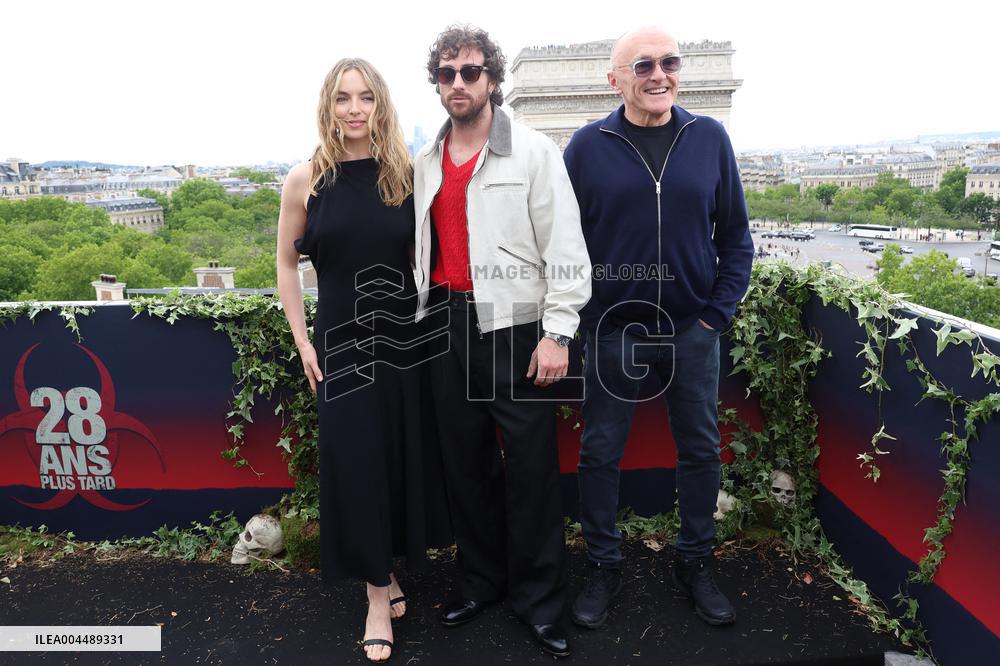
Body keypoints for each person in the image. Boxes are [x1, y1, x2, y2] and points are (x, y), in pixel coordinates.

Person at [563, 27, 754, 630]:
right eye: (642, 65)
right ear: (614, 78)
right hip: (615, 329)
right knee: (600, 452)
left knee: (700, 449)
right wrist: (590, 319)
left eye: (669, 62)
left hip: (693, 328)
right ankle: (602, 563)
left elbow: (737, 241)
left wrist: (713, 316)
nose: (658, 74)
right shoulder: (586, 147)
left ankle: (695, 561)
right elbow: (564, 244)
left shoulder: (710, 138)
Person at [412, 25, 591, 659]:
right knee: (466, 467)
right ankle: (481, 581)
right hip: (445, 328)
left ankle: (540, 603)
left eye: (470, 72)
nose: (457, 83)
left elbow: (567, 250)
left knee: (533, 472)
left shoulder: (535, 152)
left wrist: (557, 333)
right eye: (446, 73)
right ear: (436, 82)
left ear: (492, 79)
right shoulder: (425, 162)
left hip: (517, 328)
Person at [276, 57, 450, 663]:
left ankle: (387, 572)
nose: (355, 109)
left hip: (402, 340)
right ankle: (378, 595)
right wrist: (303, 341)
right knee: (357, 465)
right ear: (328, 105)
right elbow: (285, 265)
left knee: (398, 462)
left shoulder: (403, 172)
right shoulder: (305, 179)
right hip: (340, 343)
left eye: (366, 98)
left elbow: (427, 253)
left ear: (381, 106)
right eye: (344, 98)